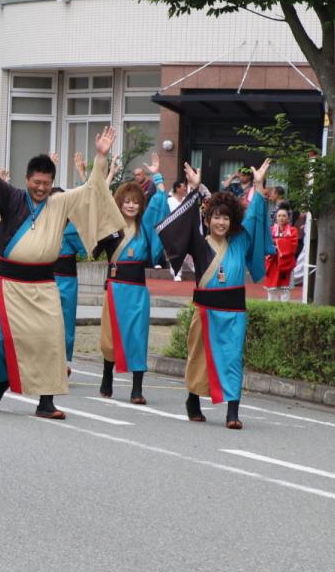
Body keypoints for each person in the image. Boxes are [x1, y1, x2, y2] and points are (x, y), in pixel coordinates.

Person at [0, 119, 123, 418]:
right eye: (36, 182)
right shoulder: (11, 197)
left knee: (50, 342)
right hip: (9, 283)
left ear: (52, 182)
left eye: (46, 183)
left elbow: (92, 190)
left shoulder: (60, 202)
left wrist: (101, 157)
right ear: (27, 179)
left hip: (43, 285)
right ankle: (2, 378)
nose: (41, 188)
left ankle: (46, 400)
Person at [156, 160, 272, 429]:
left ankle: (233, 411)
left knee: (233, 358)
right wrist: (196, 191)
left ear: (232, 221)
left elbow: (254, 216)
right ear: (208, 220)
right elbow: (187, 222)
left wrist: (257, 185)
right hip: (205, 311)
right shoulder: (199, 241)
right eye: (216, 217)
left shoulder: (241, 240)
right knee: (199, 357)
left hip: (234, 312)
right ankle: (193, 400)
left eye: (225, 217)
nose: (220, 222)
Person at [94, 153, 169, 404]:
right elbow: (97, 201)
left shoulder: (145, 226)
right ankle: (107, 376)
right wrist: (108, 171)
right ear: (120, 203)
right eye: (126, 201)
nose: (131, 205)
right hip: (114, 289)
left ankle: (137, 388)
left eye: (135, 202)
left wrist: (158, 177)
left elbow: (160, 204)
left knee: (138, 337)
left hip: (137, 290)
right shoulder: (110, 226)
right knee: (109, 336)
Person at [264, 206, 300, 302]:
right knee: (272, 291)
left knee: (285, 290)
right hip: (272, 262)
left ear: (288, 218)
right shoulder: (270, 230)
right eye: (279, 216)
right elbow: (266, 244)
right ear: (276, 217)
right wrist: (280, 243)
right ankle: (271, 310)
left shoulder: (293, 230)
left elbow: (293, 246)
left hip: (286, 263)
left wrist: (277, 243)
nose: (281, 218)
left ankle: (284, 311)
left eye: (284, 216)